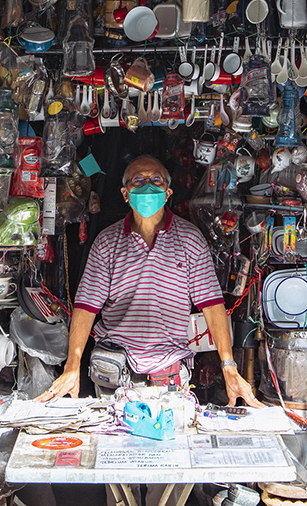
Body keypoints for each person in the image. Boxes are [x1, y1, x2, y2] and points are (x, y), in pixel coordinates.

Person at [37, 154, 260, 406]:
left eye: (156, 180)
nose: (148, 186)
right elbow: (86, 307)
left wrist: (228, 366)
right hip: (114, 367)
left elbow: (211, 304)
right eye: (138, 180)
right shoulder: (107, 242)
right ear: (125, 194)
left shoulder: (190, 240)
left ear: (167, 193)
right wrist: (72, 365)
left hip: (170, 369)